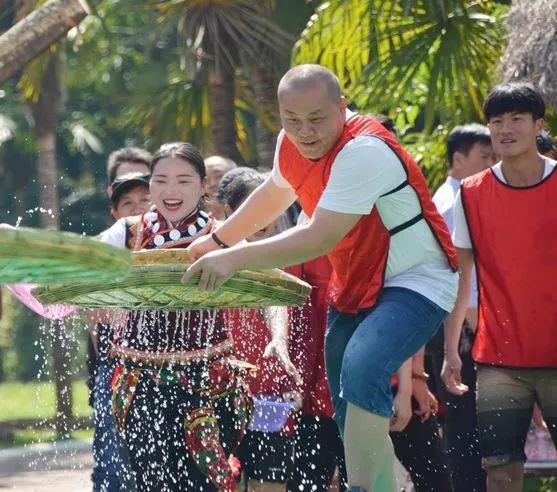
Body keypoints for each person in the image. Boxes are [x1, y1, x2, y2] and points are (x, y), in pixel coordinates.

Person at [183, 64, 458, 491]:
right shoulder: (288, 142)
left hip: (418, 280)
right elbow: (276, 193)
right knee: (346, 399)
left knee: (364, 362)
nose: (305, 132)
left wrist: (232, 258)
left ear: (342, 109)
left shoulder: (364, 150)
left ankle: (360, 488)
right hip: (353, 287)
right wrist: (216, 241)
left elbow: (318, 236)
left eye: (316, 119)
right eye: (292, 120)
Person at [100, 143, 254, 492]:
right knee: (148, 482)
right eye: (161, 180)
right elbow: (86, 261)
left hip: (208, 383)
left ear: (203, 186)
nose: (171, 191)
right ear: (150, 184)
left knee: (206, 482)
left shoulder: (225, 234)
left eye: (184, 181)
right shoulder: (128, 232)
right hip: (139, 386)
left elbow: (266, 280)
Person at [441, 82, 557, 492]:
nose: (505, 129)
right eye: (496, 121)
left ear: (537, 124)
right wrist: (452, 349)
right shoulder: (470, 195)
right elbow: (461, 278)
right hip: (499, 359)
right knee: (500, 472)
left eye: (516, 119)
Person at [218, 168, 347, 492]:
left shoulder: (289, 257)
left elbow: (303, 330)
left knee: (270, 484)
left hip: (272, 398)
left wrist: (297, 381)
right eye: (249, 210)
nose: (261, 220)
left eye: (267, 210)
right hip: (223, 395)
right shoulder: (214, 261)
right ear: (230, 214)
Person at [430, 124, 495, 492]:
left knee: (465, 427)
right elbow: (461, 280)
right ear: (458, 158)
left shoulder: (456, 196)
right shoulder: (456, 201)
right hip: (463, 330)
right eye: (483, 157)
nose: (491, 163)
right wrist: (475, 330)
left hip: (459, 327)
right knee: (466, 428)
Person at [90, 172, 152, 492]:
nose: (137, 208)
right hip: (119, 366)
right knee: (115, 457)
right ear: (115, 214)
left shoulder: (180, 241)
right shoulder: (107, 249)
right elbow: (94, 312)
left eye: (144, 200)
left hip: (173, 365)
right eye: (127, 203)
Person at [204, 155, 238, 219]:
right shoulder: (199, 225)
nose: (212, 184)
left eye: (219, 176)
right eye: (206, 179)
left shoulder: (253, 214)